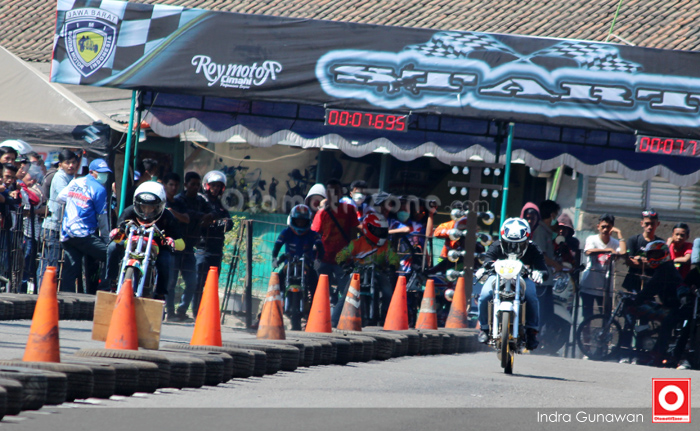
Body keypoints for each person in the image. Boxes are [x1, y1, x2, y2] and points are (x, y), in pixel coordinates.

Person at [103, 182, 184, 299]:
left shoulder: (168, 216)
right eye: (143, 206)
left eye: (151, 207)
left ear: (160, 206)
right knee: (112, 247)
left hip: (157, 248)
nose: (146, 210)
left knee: (165, 260)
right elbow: (120, 230)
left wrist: (172, 242)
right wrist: (117, 232)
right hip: (131, 243)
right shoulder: (129, 212)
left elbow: (181, 243)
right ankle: (112, 282)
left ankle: (160, 294)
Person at [477, 217, 547, 351]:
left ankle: (532, 331)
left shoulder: (533, 248)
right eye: (508, 243)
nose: (513, 248)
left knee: (531, 296)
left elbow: (543, 268)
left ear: (527, 241)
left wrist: (539, 273)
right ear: (502, 240)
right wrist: (485, 268)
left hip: (523, 278)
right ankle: (484, 328)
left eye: (519, 244)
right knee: (485, 295)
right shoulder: (496, 245)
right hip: (497, 277)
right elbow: (487, 260)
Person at [332, 213, 398, 327]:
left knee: (388, 293)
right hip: (357, 273)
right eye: (378, 231)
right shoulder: (357, 243)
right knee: (346, 296)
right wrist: (344, 265)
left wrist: (392, 266)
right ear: (368, 229)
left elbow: (394, 257)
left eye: (382, 231)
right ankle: (334, 321)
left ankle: (387, 318)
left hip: (378, 272)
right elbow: (341, 255)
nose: (381, 233)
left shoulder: (387, 245)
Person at [55, 159, 111, 292]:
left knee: (71, 268)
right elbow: (102, 217)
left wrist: (75, 200)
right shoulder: (99, 189)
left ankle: (65, 298)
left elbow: (60, 198)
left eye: (106, 173)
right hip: (83, 234)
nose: (104, 176)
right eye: (101, 173)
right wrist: (106, 239)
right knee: (110, 255)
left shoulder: (75, 182)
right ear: (92, 172)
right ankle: (104, 289)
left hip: (67, 232)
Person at [633, 241, 684, 366]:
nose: (653, 258)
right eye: (651, 255)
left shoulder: (665, 269)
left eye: (656, 254)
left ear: (665, 254)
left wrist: (636, 300)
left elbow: (651, 287)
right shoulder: (663, 268)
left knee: (666, 325)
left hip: (678, 308)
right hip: (670, 305)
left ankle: (658, 356)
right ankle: (646, 346)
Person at [311, 179, 360, 304]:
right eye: (330, 191)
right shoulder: (322, 213)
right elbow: (315, 235)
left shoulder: (349, 210)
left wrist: (352, 254)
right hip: (324, 258)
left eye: (336, 191)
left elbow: (353, 234)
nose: (333, 194)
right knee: (321, 292)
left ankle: (340, 314)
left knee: (345, 293)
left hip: (343, 259)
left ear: (341, 193)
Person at [271, 204, 324, 319]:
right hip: (289, 264)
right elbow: (277, 245)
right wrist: (274, 258)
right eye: (298, 221)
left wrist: (318, 260)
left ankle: (314, 311)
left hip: (307, 265)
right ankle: (268, 310)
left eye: (303, 221)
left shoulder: (313, 234)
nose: (300, 223)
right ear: (293, 220)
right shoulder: (286, 232)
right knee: (275, 282)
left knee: (316, 285)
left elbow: (320, 247)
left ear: (308, 221)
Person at [172, 172, 211, 322]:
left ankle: (181, 311)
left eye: (198, 184)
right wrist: (201, 216)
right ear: (186, 185)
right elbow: (187, 214)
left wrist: (209, 216)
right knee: (171, 282)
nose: (195, 187)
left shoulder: (201, 200)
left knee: (192, 282)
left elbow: (212, 211)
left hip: (189, 248)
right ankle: (169, 312)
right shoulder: (178, 200)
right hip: (176, 246)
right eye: (192, 184)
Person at [38, 149, 79, 289]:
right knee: (50, 263)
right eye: (67, 163)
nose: (71, 165)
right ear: (60, 164)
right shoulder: (60, 177)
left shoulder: (71, 177)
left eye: (73, 162)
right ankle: (43, 292)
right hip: (53, 227)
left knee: (50, 263)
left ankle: (44, 291)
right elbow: (67, 196)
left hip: (61, 227)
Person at [194, 170, 233, 317]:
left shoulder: (221, 205)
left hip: (217, 249)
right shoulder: (201, 201)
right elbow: (201, 222)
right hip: (202, 248)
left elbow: (229, 223)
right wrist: (215, 223)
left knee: (212, 284)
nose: (215, 188)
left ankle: (207, 313)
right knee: (198, 282)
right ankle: (196, 312)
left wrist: (217, 223)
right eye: (213, 185)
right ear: (207, 185)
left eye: (218, 186)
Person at [579, 214, 625, 320]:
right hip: (589, 285)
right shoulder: (592, 239)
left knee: (606, 317)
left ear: (612, 228)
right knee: (587, 317)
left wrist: (619, 233)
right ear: (598, 227)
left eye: (608, 227)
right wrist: (607, 250)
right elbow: (588, 251)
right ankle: (586, 332)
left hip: (606, 288)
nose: (605, 230)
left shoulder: (615, 243)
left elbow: (622, 252)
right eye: (603, 227)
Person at [530, 200, 563, 338]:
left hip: (547, 280)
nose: (557, 219)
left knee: (547, 313)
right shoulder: (540, 232)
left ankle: (539, 340)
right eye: (556, 215)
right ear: (551, 215)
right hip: (541, 281)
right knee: (540, 313)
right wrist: (555, 264)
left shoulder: (548, 232)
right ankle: (532, 341)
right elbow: (541, 256)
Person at [161, 172, 191, 320]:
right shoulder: (160, 201)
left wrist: (173, 213)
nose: (173, 188)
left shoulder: (179, 203)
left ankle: (171, 312)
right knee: (166, 280)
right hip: (162, 244)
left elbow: (186, 219)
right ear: (165, 185)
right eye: (170, 184)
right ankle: (164, 310)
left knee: (173, 281)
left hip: (177, 245)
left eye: (176, 185)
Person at [622, 209, 662, 293]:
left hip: (651, 285)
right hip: (633, 282)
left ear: (657, 224)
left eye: (652, 224)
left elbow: (661, 264)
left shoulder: (660, 243)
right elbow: (629, 261)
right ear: (642, 223)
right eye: (647, 224)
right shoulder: (633, 240)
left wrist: (640, 260)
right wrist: (651, 262)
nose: (650, 227)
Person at [19, 166, 44, 293]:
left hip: (33, 231)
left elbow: (36, 200)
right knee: (23, 261)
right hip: (24, 230)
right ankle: (21, 287)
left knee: (28, 262)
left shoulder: (36, 188)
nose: (32, 180)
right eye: (30, 177)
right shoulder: (22, 188)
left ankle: (24, 288)